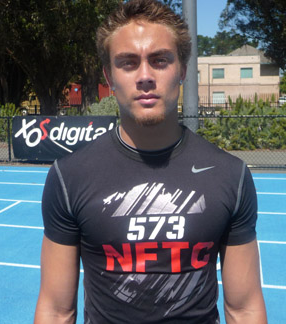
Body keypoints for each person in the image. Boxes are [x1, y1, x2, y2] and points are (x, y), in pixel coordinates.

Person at [34, 0, 267, 323]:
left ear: (182, 70)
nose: (145, 76)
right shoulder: (68, 176)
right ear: (109, 76)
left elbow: (244, 309)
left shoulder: (231, 175)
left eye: (160, 60)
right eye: (128, 63)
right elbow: (56, 310)